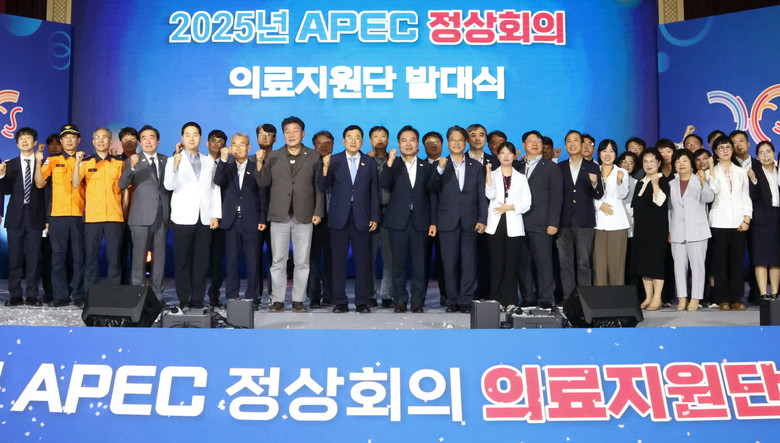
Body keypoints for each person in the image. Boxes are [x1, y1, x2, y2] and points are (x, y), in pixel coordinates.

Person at [255, 116, 324, 313]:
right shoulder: (273, 156)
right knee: (278, 261)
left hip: (305, 215)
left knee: (302, 261)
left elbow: (319, 187)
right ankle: (277, 300)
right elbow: (263, 182)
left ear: (303, 133)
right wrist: (259, 163)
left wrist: (318, 211)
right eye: (287, 132)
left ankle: (298, 301)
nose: (291, 135)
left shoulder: (313, 156)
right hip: (279, 215)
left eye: (295, 131)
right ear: (283, 134)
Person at [319, 125, 379, 313]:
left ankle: (362, 301)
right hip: (339, 217)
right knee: (338, 261)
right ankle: (340, 301)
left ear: (362, 141)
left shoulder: (369, 162)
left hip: (362, 217)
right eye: (349, 137)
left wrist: (375, 216)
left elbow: (374, 191)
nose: (353, 141)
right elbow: (322, 186)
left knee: (363, 261)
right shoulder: (334, 160)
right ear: (343, 141)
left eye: (357, 137)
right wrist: (325, 168)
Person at [429, 125, 487, 313]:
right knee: (449, 264)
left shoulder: (475, 166)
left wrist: (483, 218)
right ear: (448, 143)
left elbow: (481, 195)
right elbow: (430, 189)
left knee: (469, 264)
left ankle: (466, 301)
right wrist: (439, 169)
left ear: (465, 142)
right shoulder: (439, 165)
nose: (456, 143)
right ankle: (452, 300)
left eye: (460, 140)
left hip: (470, 221)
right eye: (452, 140)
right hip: (447, 222)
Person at [164, 122, 222, 309]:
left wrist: (216, 215)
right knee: (182, 261)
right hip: (182, 218)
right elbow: (168, 185)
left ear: (200, 138)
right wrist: (175, 166)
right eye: (187, 135)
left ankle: (197, 299)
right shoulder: (173, 160)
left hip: (204, 217)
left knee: (201, 262)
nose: (191, 138)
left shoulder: (208, 161)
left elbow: (214, 189)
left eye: (195, 134)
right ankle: (183, 299)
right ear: (182, 138)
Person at [380, 125, 436, 313]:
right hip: (397, 222)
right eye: (404, 140)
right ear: (398, 144)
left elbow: (432, 195)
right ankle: (400, 300)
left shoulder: (427, 167)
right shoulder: (393, 164)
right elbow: (384, 184)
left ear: (418, 143)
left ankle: (418, 301)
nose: (408, 144)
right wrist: (389, 161)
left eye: (412, 140)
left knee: (420, 264)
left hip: (421, 222)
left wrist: (433, 222)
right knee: (398, 264)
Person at [118, 125, 170, 303]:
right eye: (144, 138)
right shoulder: (133, 160)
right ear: (140, 142)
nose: (148, 141)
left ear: (158, 141)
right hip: (140, 217)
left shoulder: (166, 160)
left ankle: (157, 296)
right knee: (138, 260)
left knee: (159, 260)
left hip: (162, 216)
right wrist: (131, 167)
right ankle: (137, 296)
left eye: (151, 137)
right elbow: (122, 184)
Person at [35, 124, 86, 307]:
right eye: (66, 137)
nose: (69, 140)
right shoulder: (52, 160)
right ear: (62, 141)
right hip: (57, 215)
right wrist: (38, 162)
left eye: (73, 137)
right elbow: (40, 183)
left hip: (80, 215)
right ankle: (60, 296)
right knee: (58, 257)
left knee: (79, 257)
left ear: (78, 140)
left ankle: (79, 295)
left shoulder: (86, 160)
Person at [214, 132, 267, 307]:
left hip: (252, 220)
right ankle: (232, 297)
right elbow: (218, 181)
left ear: (248, 147)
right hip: (230, 221)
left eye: (242, 144)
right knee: (232, 261)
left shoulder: (256, 166)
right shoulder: (226, 166)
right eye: (234, 145)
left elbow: (262, 194)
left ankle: (253, 298)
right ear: (230, 147)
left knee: (253, 262)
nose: (238, 148)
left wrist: (262, 218)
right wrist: (223, 160)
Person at [72, 128, 125, 296]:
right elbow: (75, 183)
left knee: (114, 259)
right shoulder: (86, 162)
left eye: (105, 137)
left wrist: (124, 214)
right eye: (97, 138)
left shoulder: (119, 162)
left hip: (114, 217)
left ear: (111, 141)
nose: (101, 141)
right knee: (91, 258)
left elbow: (125, 190)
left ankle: (114, 295)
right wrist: (77, 164)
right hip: (92, 218)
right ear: (93, 142)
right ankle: (90, 295)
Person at [515, 131, 562, 309]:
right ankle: (528, 296)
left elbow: (557, 197)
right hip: (519, 223)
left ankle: (545, 297)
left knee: (543, 262)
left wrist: (553, 222)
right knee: (523, 262)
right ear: (524, 145)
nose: (535, 144)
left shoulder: (550, 167)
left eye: (538, 141)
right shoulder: (518, 167)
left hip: (542, 223)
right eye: (531, 141)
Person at [558, 130, 604, 300]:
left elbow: (598, 194)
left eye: (575, 140)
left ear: (582, 144)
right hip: (563, 221)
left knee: (584, 263)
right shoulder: (560, 167)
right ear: (565, 145)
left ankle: (585, 300)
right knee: (565, 263)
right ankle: (569, 299)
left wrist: (594, 183)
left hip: (585, 221)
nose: (572, 144)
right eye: (569, 141)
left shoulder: (592, 167)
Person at [485, 141, 532, 307]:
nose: (506, 156)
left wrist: (510, 207)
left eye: (509, 153)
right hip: (495, 224)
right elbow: (489, 194)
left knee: (511, 264)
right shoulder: (493, 174)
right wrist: (488, 174)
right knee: (496, 264)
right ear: (498, 156)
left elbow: (527, 203)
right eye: (502, 153)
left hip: (514, 224)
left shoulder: (521, 178)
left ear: (514, 156)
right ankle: (495, 298)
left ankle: (510, 299)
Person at [708, 135, 752, 310]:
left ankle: (736, 297)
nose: (725, 151)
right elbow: (713, 191)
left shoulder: (741, 171)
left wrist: (747, 218)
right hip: (718, 222)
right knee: (720, 262)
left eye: (728, 147)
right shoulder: (711, 172)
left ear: (732, 150)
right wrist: (711, 170)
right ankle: (722, 298)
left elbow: (746, 196)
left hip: (738, 222)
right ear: (716, 152)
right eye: (721, 148)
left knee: (737, 262)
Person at [1, 128, 44, 306]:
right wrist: (2, 175)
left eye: (28, 138)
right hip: (15, 217)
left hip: (36, 216)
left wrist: (47, 219)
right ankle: (15, 295)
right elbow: (5, 191)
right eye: (21, 138)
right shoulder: (10, 165)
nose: (24, 141)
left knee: (34, 259)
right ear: (17, 143)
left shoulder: (43, 163)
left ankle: (32, 295)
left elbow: (46, 192)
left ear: (35, 142)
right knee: (15, 258)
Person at [668, 150, 714, 311]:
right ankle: (682, 298)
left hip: (697, 231)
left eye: (684, 160)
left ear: (691, 163)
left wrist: (703, 183)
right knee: (679, 267)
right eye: (677, 161)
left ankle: (695, 298)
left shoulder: (700, 179)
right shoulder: (671, 184)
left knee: (698, 267)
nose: (681, 164)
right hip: (677, 231)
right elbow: (670, 210)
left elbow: (708, 198)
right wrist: (670, 230)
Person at [631, 149, 670, 311]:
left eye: (652, 161)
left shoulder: (662, 181)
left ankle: (657, 298)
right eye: (645, 161)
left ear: (659, 163)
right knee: (644, 264)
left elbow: (661, 202)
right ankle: (648, 296)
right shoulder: (640, 182)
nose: (649, 164)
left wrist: (655, 184)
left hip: (657, 230)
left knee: (656, 264)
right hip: (641, 230)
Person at [592, 139, 630, 286]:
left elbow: (623, 195)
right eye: (604, 151)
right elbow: (586, 195)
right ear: (599, 153)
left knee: (617, 266)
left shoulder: (622, 172)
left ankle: (617, 297)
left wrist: (620, 182)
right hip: (598, 223)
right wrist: (599, 204)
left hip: (617, 223)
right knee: (599, 265)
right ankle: (600, 297)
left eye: (611, 151)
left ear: (616, 153)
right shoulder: (593, 170)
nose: (608, 155)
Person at [747, 141, 780, 298]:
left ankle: (775, 293)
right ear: (757, 157)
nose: (765, 155)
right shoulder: (755, 173)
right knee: (760, 258)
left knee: (776, 259)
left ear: (774, 153)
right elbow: (753, 197)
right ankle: (763, 294)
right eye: (761, 152)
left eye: (768, 152)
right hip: (761, 220)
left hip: (777, 217)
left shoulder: (779, 171)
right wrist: (753, 180)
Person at [467, 123, 495, 301]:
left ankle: (485, 291)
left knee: (487, 257)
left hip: (490, 217)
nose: (478, 139)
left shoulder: (496, 161)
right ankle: (465, 294)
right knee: (466, 258)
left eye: (481, 135)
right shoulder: (457, 159)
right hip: (464, 216)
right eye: (473, 135)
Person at [367, 125, 394, 308]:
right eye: (376, 136)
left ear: (388, 140)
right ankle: (369, 294)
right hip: (369, 214)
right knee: (368, 256)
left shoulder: (396, 162)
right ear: (370, 141)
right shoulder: (364, 161)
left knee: (389, 257)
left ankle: (387, 295)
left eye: (383, 136)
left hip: (390, 213)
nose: (379, 139)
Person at [308, 131, 335, 309]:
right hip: (313, 219)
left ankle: (330, 295)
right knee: (313, 260)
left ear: (333, 145)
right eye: (320, 143)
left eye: (327, 143)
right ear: (314, 146)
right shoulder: (309, 163)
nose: (324, 146)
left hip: (334, 219)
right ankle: (314, 296)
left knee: (332, 259)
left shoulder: (339, 163)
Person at [422, 130, 447, 304]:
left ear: (443, 145)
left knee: (444, 260)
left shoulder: (451, 165)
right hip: (423, 221)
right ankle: (420, 297)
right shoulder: (418, 165)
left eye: (436, 142)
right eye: (429, 143)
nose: (433, 145)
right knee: (422, 260)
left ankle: (446, 294)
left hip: (446, 220)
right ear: (423, 146)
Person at [206, 129, 228, 307]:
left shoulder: (229, 164)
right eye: (213, 140)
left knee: (217, 259)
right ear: (207, 143)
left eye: (220, 141)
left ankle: (214, 293)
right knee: (199, 257)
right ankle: (194, 294)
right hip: (202, 216)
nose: (216, 144)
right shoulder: (199, 162)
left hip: (223, 218)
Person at [255, 123, 277, 302]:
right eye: (261, 134)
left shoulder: (280, 159)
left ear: (275, 139)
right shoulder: (248, 160)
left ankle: (274, 295)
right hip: (254, 216)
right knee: (254, 257)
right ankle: (255, 295)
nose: (264, 137)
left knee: (275, 258)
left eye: (269, 134)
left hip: (276, 215)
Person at [39, 134, 62, 303]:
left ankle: (64, 289)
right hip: (45, 217)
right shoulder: (43, 166)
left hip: (65, 217)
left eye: (57, 144)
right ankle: (49, 291)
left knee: (64, 256)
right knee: (48, 256)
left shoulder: (71, 164)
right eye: (51, 144)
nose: (54, 147)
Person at [117, 126, 139, 284]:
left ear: (138, 141)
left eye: (132, 138)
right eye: (125, 139)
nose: (129, 142)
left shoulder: (144, 160)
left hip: (140, 214)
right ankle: (121, 286)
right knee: (120, 253)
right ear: (120, 142)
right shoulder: (116, 161)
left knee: (140, 254)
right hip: (119, 215)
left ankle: (139, 287)